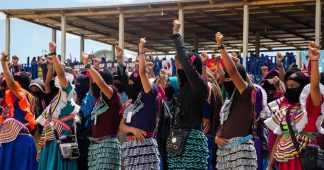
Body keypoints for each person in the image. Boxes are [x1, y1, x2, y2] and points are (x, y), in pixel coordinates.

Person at [265, 41, 323, 170]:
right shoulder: (285, 110)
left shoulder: (311, 107)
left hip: (305, 160)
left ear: (303, 88)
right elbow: (279, 138)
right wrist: (269, 166)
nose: (289, 89)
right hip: (284, 162)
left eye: (293, 86)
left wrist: (314, 62)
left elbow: (314, 86)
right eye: (287, 86)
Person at [167, 20, 209, 170]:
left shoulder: (199, 84)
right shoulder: (182, 87)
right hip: (175, 138)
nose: (181, 68)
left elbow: (184, 61)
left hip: (191, 139)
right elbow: (180, 61)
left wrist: (177, 35)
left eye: (184, 66)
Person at [214, 32, 257, 170]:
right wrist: (217, 138)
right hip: (224, 153)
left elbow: (233, 71)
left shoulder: (244, 93)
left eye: (230, 80)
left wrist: (221, 47)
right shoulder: (229, 100)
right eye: (226, 80)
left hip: (241, 152)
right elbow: (222, 126)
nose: (227, 82)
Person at [37, 42, 80, 170]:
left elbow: (61, 75)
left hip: (60, 142)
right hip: (52, 141)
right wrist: (52, 64)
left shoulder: (68, 95)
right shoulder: (58, 98)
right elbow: (49, 81)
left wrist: (54, 54)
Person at [119, 38, 160, 170]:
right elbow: (122, 126)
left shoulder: (149, 95)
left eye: (132, 83)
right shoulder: (131, 103)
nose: (130, 85)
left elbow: (142, 73)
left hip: (145, 148)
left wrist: (141, 50)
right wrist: (132, 130)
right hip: (131, 150)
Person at [81, 53, 123, 170]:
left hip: (108, 146)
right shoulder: (99, 100)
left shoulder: (112, 93)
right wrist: (94, 70)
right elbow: (94, 85)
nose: (94, 82)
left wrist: (88, 66)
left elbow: (100, 83)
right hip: (95, 147)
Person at [0, 51, 38, 170]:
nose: (9, 83)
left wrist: (3, 63)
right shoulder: (22, 97)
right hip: (16, 142)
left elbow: (11, 83)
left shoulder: (22, 94)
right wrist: (14, 66)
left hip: (18, 143)